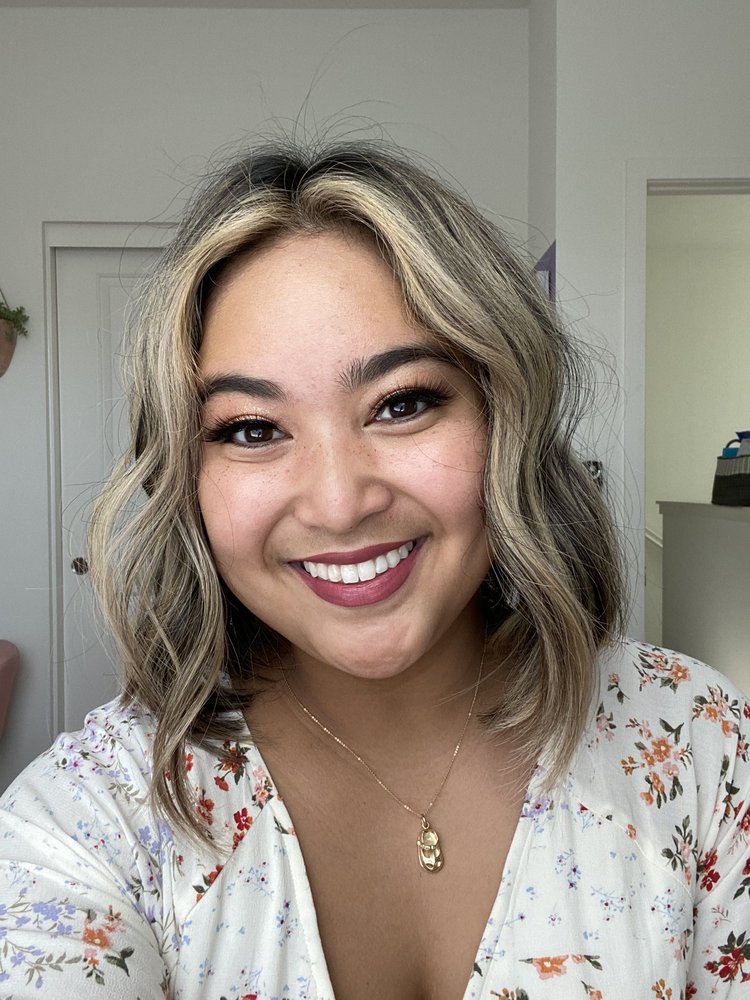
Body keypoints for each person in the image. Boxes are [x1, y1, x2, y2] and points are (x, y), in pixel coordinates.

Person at [0, 139, 748, 1000]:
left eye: (402, 404)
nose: (338, 503)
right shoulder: (94, 821)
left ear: (505, 416)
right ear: (186, 473)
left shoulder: (697, 745)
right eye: (251, 429)